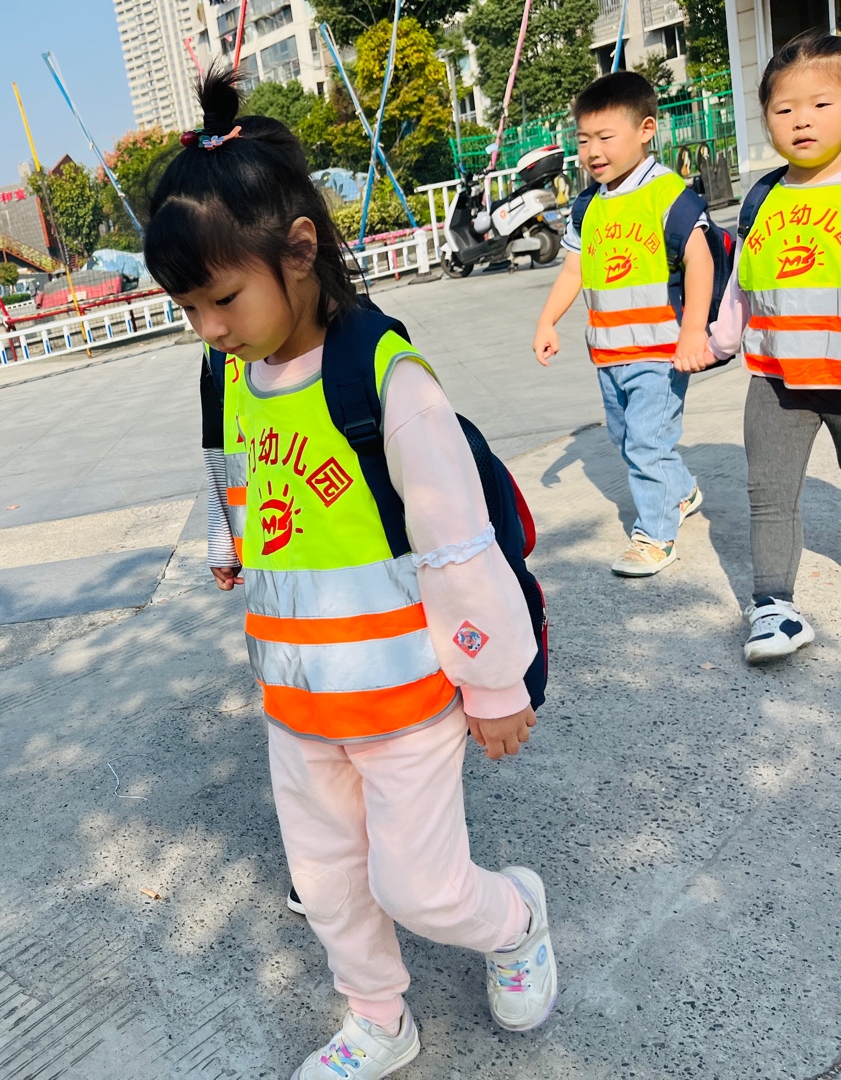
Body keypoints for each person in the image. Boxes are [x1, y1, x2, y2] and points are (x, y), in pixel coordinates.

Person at [152, 68, 557, 1079]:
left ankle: (515, 919)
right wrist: (228, 541)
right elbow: (234, 466)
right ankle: (378, 1017)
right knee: (330, 884)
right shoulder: (233, 372)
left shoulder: (385, 380)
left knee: (420, 888)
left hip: (406, 699)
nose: (210, 327)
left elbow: (458, 544)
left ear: (299, 250)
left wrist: (496, 682)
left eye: (223, 299)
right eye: (189, 308)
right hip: (297, 702)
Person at [532, 72, 714, 577]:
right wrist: (547, 321)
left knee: (645, 443)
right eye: (583, 140)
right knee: (625, 436)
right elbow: (573, 270)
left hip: (660, 351)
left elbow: (700, 260)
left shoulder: (666, 192)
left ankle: (655, 535)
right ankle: (681, 491)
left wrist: (694, 330)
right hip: (609, 354)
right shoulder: (588, 205)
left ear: (645, 129)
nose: (592, 152)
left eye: (605, 137)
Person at [708, 29, 841, 663]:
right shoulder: (762, 197)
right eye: (784, 109)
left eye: (821, 103)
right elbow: (744, 278)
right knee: (769, 495)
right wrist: (720, 337)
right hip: (776, 379)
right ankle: (773, 608)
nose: (801, 120)